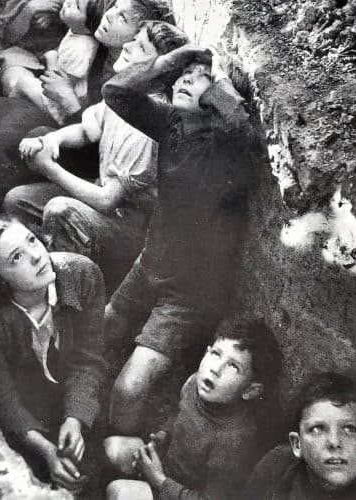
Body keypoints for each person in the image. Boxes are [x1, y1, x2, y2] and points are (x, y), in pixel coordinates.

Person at [102, 43, 257, 434]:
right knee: (98, 332)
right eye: (184, 76)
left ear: (216, 98)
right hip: (149, 265)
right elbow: (116, 92)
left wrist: (216, 84)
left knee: (129, 388)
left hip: (189, 295)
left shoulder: (224, 146)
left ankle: (118, 454)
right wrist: (166, 62)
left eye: (200, 78)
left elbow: (243, 130)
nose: (188, 81)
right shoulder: (172, 123)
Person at [3, 21, 188, 293]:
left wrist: (48, 168)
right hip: (101, 200)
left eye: (140, 47)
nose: (126, 46)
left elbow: (108, 199)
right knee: (17, 201)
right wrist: (52, 139)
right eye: (133, 39)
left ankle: (71, 292)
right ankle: (38, 269)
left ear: (157, 69)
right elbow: (87, 130)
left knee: (60, 210)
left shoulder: (147, 125)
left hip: (129, 227)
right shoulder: (124, 95)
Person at [0, 215, 107, 495]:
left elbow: (89, 361)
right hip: (28, 421)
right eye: (16, 257)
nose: (37, 255)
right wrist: (46, 451)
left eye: (31, 240)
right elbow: (3, 399)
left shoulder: (82, 275)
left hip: (75, 399)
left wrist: (75, 418)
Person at [104, 317, 282, 499]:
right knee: (112, 447)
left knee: (118, 492)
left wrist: (159, 481)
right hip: (167, 470)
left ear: (250, 390)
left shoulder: (236, 442)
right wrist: (163, 436)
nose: (216, 369)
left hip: (181, 492)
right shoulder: (193, 384)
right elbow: (178, 414)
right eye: (216, 354)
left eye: (233, 366)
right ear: (207, 352)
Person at [245, 372, 356, 500]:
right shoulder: (275, 469)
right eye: (317, 429)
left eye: (350, 429)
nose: (334, 441)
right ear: (297, 444)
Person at [1, 0, 102, 126]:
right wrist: (32, 10)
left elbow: (60, 84)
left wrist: (52, 58)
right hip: (45, 72)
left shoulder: (80, 48)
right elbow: (7, 36)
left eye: (76, 5)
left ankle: (9, 115)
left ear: (88, 27)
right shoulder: (76, 29)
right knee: (18, 81)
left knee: (22, 83)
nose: (69, 2)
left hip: (58, 103)